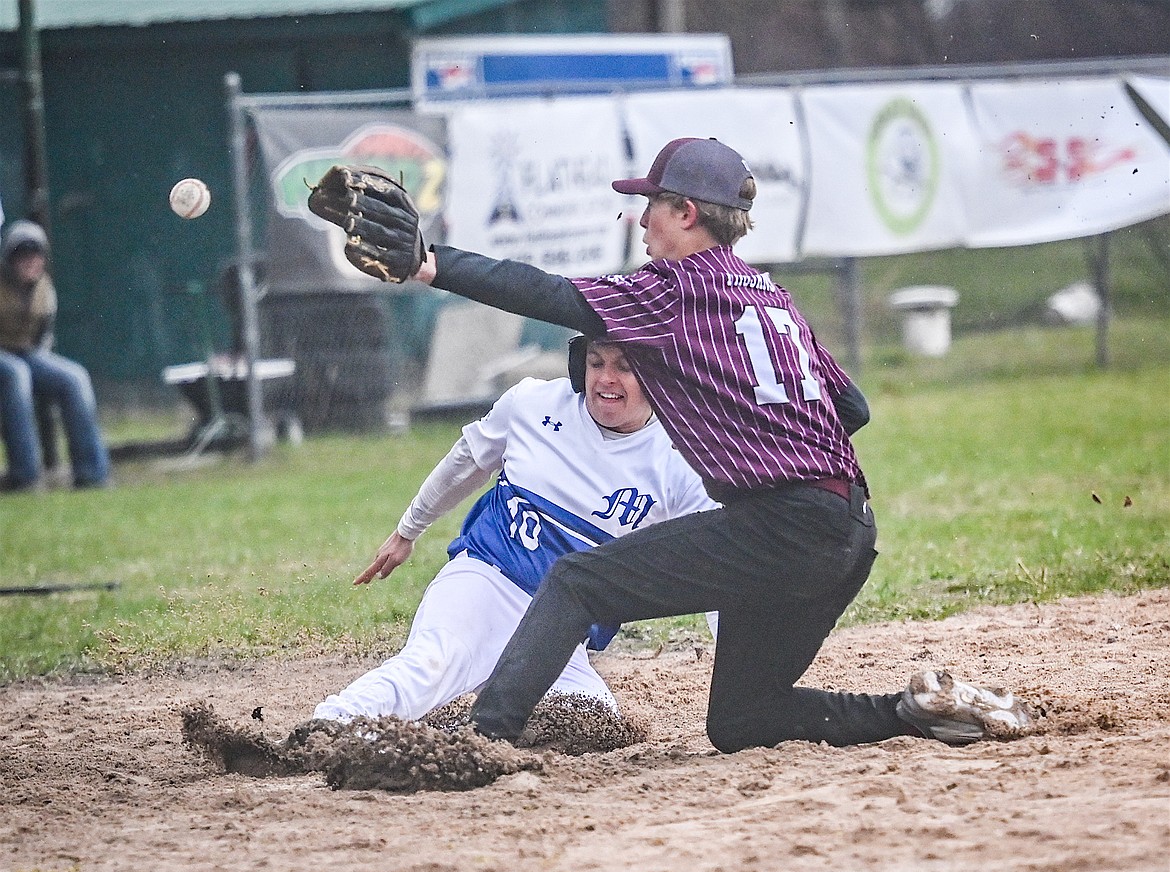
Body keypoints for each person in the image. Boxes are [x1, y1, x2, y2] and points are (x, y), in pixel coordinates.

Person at [353, 136, 1032, 752]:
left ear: (685, 213)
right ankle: (915, 712)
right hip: (849, 529)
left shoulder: (673, 291)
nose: (641, 219)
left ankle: (483, 740)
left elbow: (551, 294)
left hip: (782, 526)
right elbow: (849, 405)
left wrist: (429, 263)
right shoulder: (772, 296)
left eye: (650, 205)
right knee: (742, 720)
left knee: (577, 582)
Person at [311, 336, 718, 724]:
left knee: (589, 717)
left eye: (624, 367)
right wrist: (408, 530)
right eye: (596, 363)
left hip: (557, 625)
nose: (605, 380)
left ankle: (460, 735)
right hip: (485, 582)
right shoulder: (533, 403)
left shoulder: (682, 458)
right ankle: (332, 724)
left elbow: (716, 565)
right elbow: (467, 461)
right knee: (432, 664)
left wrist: (736, 661)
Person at [0, 220, 111, 491]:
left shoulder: (44, 289)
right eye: (21, 255)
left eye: (35, 254)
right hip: (5, 358)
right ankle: (25, 475)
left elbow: (42, 339)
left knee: (74, 377)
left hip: (26, 353)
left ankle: (91, 473)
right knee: (17, 374)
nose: (29, 261)